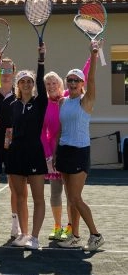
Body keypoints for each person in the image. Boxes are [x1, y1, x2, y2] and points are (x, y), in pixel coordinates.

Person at [55, 41, 105, 251]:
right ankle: (75, 236)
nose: (73, 83)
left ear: (82, 83)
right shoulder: (63, 102)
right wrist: (57, 152)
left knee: (76, 197)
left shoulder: (87, 100)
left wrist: (93, 55)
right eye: (70, 80)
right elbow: (60, 129)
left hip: (79, 152)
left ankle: (96, 235)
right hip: (65, 151)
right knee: (70, 198)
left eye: (76, 80)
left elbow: (92, 78)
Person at [42, 57, 90, 242]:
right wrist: (48, 154)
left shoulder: (67, 99)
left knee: (72, 195)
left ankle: (71, 227)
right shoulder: (43, 104)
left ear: (61, 84)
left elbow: (83, 77)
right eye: (48, 83)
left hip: (72, 152)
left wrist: (91, 56)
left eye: (54, 82)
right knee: (55, 193)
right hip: (54, 155)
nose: (52, 85)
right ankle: (57, 226)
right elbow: (42, 132)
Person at [6, 45, 48, 250]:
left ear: (33, 85)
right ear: (17, 84)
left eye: (29, 81)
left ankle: (35, 237)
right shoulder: (12, 105)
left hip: (34, 154)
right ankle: (23, 234)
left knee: (38, 197)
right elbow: (6, 129)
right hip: (15, 155)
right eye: (22, 81)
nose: (26, 84)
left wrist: (41, 60)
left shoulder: (40, 103)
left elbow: (41, 80)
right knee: (20, 196)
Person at [0, 57, 24, 238]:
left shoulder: (20, 97)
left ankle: (15, 225)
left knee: (15, 188)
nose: (5, 75)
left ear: (14, 72)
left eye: (8, 71)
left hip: (14, 148)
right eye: (1, 71)